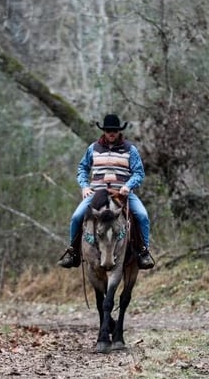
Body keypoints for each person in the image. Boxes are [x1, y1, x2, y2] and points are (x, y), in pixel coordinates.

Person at [57, 114, 155, 270]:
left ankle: (144, 252)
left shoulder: (130, 149)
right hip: (97, 193)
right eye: (108, 130)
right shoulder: (93, 148)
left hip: (122, 193)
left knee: (142, 215)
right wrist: (84, 186)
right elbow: (82, 168)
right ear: (103, 131)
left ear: (119, 131)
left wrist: (128, 186)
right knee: (76, 217)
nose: (111, 133)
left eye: (114, 130)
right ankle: (73, 252)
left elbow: (139, 173)